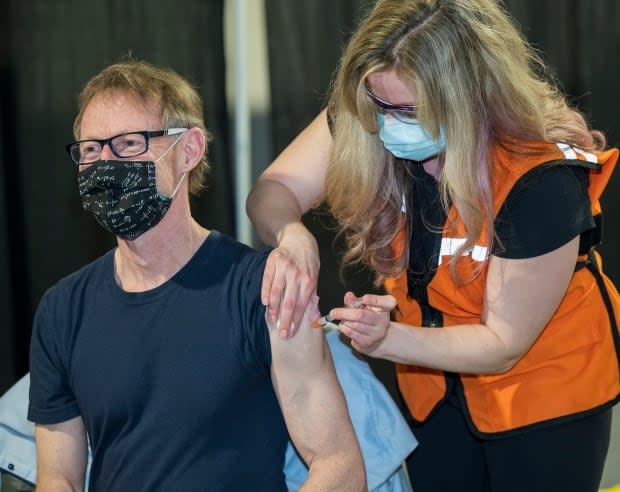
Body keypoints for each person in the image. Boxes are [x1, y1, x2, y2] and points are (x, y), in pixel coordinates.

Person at [246, 0, 620, 491]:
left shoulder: (540, 182)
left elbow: (501, 345)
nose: (388, 124)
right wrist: (292, 236)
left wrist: (385, 338)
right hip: (433, 389)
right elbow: (274, 192)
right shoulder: (373, 114)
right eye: (378, 105)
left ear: (471, 98)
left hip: (542, 391)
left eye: (408, 110)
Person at [27, 59, 367, 492]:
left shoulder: (264, 288)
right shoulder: (62, 311)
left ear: (187, 150)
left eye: (128, 144)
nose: (105, 164)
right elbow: (59, 478)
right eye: (91, 150)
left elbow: (339, 467)